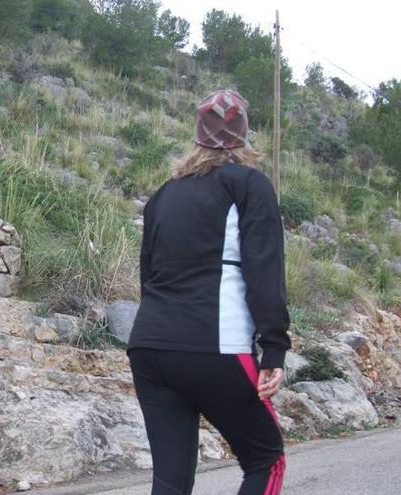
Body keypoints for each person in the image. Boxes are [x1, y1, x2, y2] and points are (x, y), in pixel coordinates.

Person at [128, 88, 291, 495]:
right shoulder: (249, 185)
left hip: (149, 346)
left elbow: (148, 276)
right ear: (244, 135)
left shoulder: (163, 195)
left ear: (197, 135)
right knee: (266, 458)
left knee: (171, 480)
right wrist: (274, 348)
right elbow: (264, 270)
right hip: (216, 344)